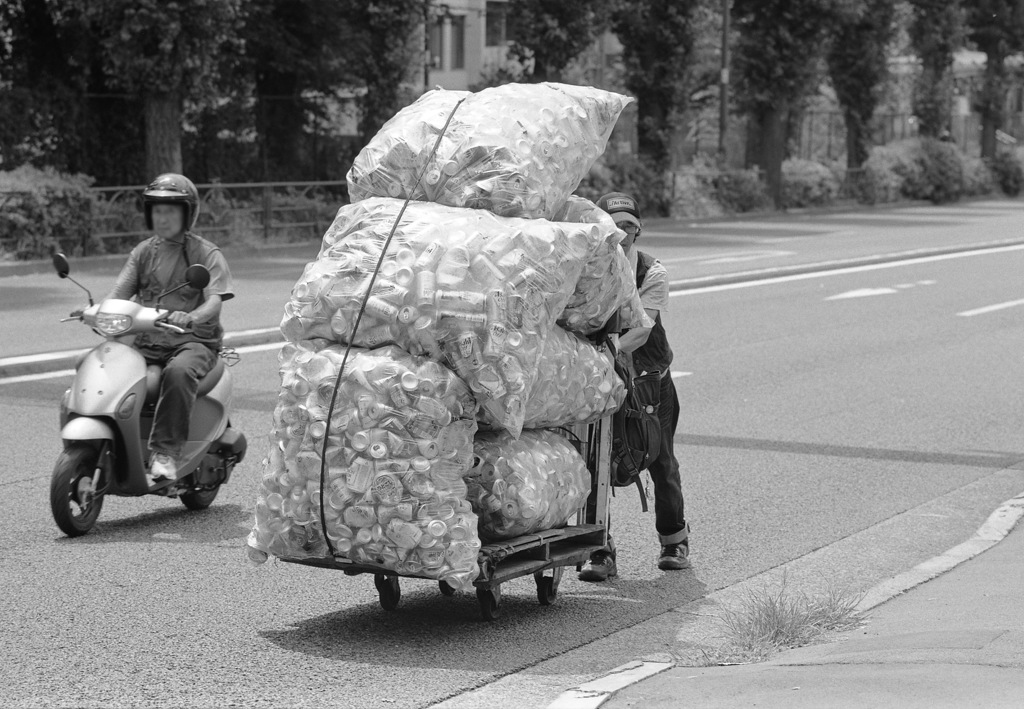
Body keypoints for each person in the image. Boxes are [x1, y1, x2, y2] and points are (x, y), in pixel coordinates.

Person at [579, 191, 690, 581]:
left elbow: (642, 328)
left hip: (648, 380)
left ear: (639, 228)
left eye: (629, 225)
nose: (622, 233)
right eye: (614, 225)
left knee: (659, 458)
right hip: (597, 378)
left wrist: (603, 354)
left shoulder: (652, 272)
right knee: (594, 460)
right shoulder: (585, 268)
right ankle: (599, 550)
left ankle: (674, 541)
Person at [100, 173, 234, 486]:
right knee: (97, 362)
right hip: (147, 340)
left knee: (178, 372)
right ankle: (110, 443)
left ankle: (164, 454)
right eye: (157, 211)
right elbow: (119, 293)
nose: (163, 218)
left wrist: (193, 317)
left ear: (188, 213)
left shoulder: (206, 254)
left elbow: (214, 301)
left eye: (171, 210)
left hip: (193, 343)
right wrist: (98, 313)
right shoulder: (143, 252)